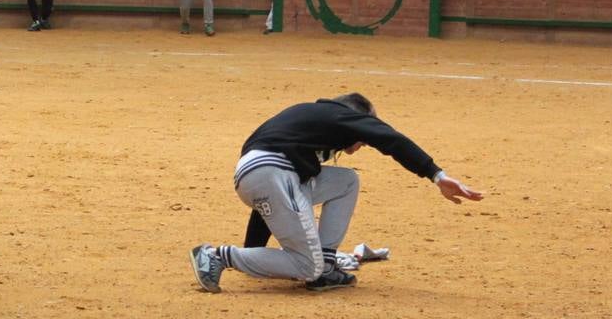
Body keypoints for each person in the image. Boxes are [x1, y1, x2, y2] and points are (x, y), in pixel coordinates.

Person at [188, 93, 484, 293]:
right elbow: (390, 139)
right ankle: (216, 256)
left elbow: (267, 196)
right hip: (271, 173)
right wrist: (436, 174)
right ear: (357, 116)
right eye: (364, 132)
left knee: (346, 181)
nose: (364, 142)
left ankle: (326, 267)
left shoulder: (311, 121)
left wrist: (254, 247)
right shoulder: (340, 114)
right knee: (307, 266)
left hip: (257, 174)